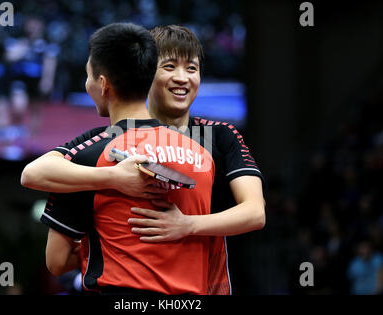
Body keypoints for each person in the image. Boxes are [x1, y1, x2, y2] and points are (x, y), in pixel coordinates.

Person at [21, 25, 265, 295]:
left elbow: (255, 212)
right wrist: (114, 178)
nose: (182, 78)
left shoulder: (217, 137)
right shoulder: (104, 141)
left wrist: (187, 225)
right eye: (170, 67)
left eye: (192, 69)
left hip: (209, 283)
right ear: (147, 72)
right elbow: (37, 174)